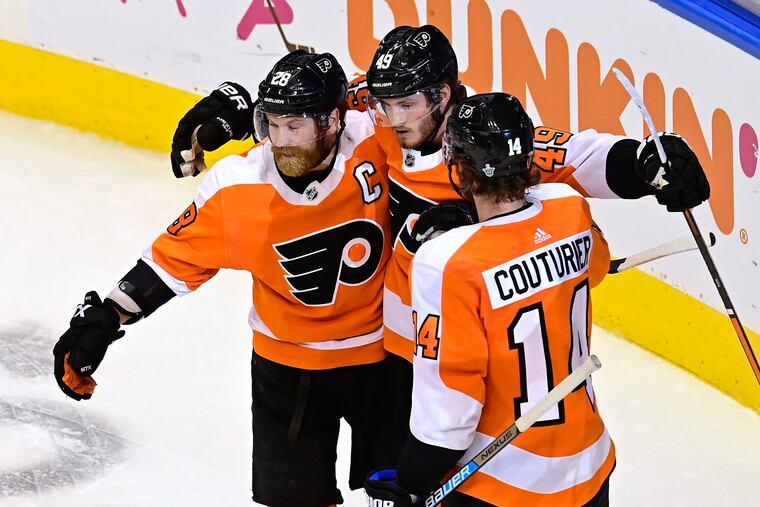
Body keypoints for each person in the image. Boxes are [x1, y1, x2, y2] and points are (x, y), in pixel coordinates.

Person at [53, 50, 398, 507]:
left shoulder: (378, 138)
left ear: (333, 121)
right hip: (287, 368)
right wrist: (103, 320)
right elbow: (166, 266)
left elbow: (405, 91)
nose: (281, 141)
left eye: (294, 126)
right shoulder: (238, 185)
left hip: (385, 358)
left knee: (399, 493)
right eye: (271, 124)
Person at [364, 92, 615, 507]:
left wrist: (414, 478)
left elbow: (449, 409)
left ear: (459, 169)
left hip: (503, 483)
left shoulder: (446, 262)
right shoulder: (571, 210)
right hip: (589, 467)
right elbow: (598, 266)